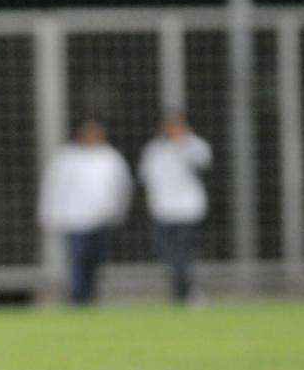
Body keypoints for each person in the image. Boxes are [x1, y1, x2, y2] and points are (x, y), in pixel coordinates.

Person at [38, 119, 132, 305]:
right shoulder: (66, 158)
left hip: (101, 219)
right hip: (74, 220)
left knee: (95, 261)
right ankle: (77, 297)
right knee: (77, 260)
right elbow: (52, 187)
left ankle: (90, 296)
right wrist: (47, 213)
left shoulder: (110, 157)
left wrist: (119, 211)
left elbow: (123, 187)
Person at [139, 112, 212, 303]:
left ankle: (186, 292)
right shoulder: (155, 149)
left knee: (184, 254)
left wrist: (184, 143)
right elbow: (146, 176)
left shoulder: (194, 145)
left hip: (188, 210)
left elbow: (204, 160)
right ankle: (181, 290)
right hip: (163, 210)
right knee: (166, 254)